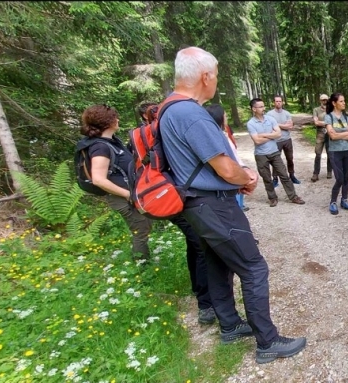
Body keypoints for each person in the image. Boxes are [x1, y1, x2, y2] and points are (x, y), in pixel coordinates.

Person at [159, 46, 306, 364]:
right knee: (254, 267)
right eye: (216, 75)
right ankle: (267, 342)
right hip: (213, 204)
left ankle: (228, 325)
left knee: (217, 261)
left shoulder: (168, 109)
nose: (216, 81)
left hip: (195, 205)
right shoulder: (191, 114)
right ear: (205, 76)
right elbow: (224, 167)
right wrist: (247, 177)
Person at [136, 103, 216, 325]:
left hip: (161, 194)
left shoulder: (142, 134)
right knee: (200, 245)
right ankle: (206, 304)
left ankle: (198, 289)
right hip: (175, 195)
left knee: (194, 242)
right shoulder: (167, 131)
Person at [81, 104, 151, 260]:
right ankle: (142, 266)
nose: (117, 120)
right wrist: (128, 195)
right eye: (114, 117)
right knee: (141, 228)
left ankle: (143, 262)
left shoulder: (111, 142)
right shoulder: (100, 147)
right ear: (107, 122)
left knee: (144, 225)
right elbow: (98, 179)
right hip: (122, 198)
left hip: (130, 195)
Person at [246, 97, 305, 207]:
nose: (263, 108)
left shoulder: (270, 119)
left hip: (274, 152)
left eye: (263, 106)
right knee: (267, 178)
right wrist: (271, 135)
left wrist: (264, 135)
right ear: (254, 109)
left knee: (284, 175)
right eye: (260, 107)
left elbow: (278, 134)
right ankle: (272, 198)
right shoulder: (251, 123)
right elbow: (257, 141)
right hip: (261, 155)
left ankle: (293, 196)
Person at [204, 104, 249, 211]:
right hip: (228, 175)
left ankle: (239, 206)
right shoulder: (216, 137)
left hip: (235, 170)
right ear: (219, 117)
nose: (227, 117)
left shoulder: (224, 132)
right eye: (225, 115)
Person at [324, 92, 348, 214]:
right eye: (341, 101)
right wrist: (344, 134)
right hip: (335, 152)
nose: (344, 103)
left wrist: (338, 135)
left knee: (347, 177)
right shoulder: (329, 117)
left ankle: (344, 200)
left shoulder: (346, 118)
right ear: (334, 103)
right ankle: (333, 202)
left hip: (347, 151)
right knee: (340, 178)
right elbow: (331, 136)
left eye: (344, 101)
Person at [268, 95, 300, 185]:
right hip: (275, 141)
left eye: (280, 101)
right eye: (276, 101)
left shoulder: (287, 113)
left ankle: (292, 175)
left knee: (290, 158)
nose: (278, 103)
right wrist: (283, 125)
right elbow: (270, 127)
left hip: (287, 139)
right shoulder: (269, 114)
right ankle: (275, 179)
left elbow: (290, 126)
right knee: (275, 160)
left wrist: (276, 124)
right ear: (274, 102)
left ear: (282, 102)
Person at [311, 94, 332, 182]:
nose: (325, 101)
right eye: (323, 100)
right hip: (320, 133)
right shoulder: (316, 110)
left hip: (330, 133)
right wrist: (327, 123)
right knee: (318, 153)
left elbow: (334, 121)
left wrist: (322, 122)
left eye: (326, 99)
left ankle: (329, 171)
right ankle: (316, 173)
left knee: (330, 153)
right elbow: (316, 122)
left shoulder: (331, 109)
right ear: (320, 101)